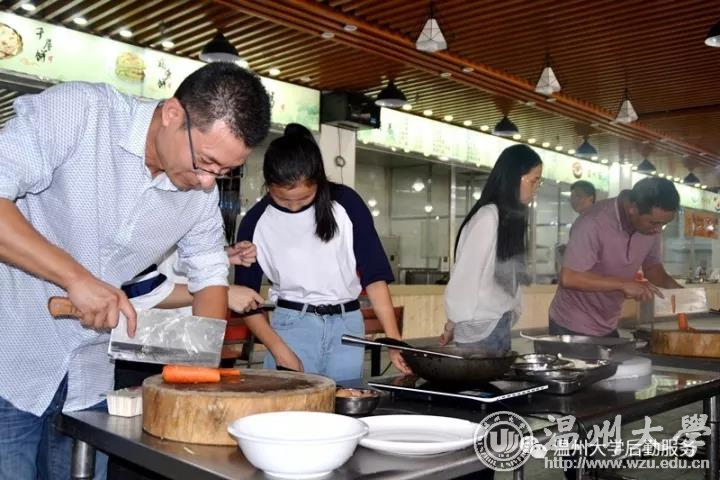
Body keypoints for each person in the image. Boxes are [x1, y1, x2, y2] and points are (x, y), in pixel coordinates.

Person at [0, 62, 271, 479]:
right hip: (11, 362)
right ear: (173, 114)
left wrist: (202, 374)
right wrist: (76, 279)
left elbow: (209, 276)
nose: (207, 182)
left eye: (222, 173)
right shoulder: (81, 112)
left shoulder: (200, 195)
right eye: (206, 162)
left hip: (89, 380)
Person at [235, 123, 409, 381]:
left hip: (347, 326)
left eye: (304, 199)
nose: (294, 207)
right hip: (292, 328)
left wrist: (393, 339)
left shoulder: (346, 203)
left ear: (318, 180)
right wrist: (279, 350)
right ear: (269, 184)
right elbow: (246, 302)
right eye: (283, 199)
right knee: (291, 403)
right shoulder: (255, 221)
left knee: (343, 399)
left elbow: (374, 277)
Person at [550, 177, 682, 337]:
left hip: (608, 323)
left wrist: (678, 291)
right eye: (654, 223)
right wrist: (624, 284)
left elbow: (652, 268)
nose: (658, 230)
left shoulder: (651, 228)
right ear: (633, 209)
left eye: (663, 224)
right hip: (571, 323)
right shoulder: (592, 222)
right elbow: (569, 277)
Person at [442, 144, 543, 353]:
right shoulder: (488, 217)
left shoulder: (509, 219)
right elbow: (466, 276)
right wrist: (452, 322)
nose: (535, 189)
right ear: (515, 177)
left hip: (498, 323)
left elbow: (509, 276)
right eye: (534, 181)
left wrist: (513, 312)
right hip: (478, 328)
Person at [554, 180, 597, 280]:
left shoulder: (594, 221)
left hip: (590, 276)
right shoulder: (580, 221)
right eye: (572, 197)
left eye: (578, 196)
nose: (574, 200)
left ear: (591, 198)